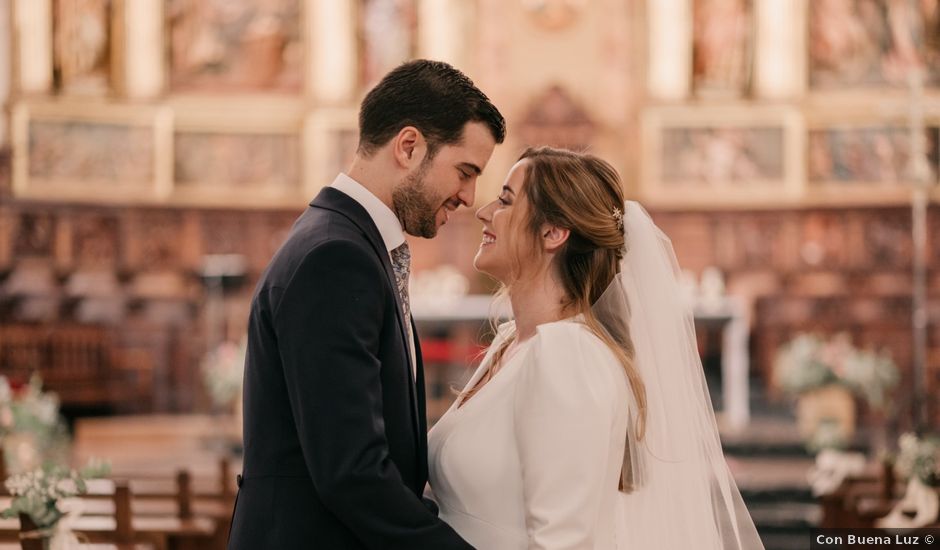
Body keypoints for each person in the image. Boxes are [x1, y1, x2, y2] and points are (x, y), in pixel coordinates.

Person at [228, 59, 505, 549]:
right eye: (465, 172)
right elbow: (351, 470)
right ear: (409, 146)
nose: (469, 197)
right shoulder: (336, 257)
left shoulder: (349, 242)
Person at [428, 147, 765, 549]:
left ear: (553, 232)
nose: (483, 212)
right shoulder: (512, 342)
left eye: (505, 200)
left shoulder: (567, 355)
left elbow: (562, 542)